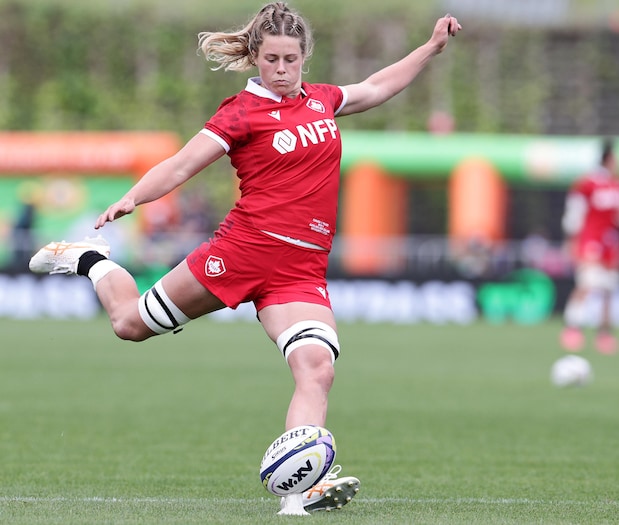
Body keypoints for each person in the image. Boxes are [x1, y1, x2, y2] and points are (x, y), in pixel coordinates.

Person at [28, 2, 462, 516]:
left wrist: (430, 49)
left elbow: (376, 87)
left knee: (317, 368)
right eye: (272, 59)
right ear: (256, 57)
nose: (281, 70)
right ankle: (88, 260)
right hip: (241, 253)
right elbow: (182, 163)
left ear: (305, 58)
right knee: (129, 324)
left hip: (300, 272)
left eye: (291, 59)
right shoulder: (240, 112)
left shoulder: (322, 101)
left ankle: (296, 496)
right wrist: (135, 197)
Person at [559, 138, 619, 354]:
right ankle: (572, 328)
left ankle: (604, 334)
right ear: (608, 158)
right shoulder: (588, 184)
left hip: (612, 245)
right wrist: (571, 241)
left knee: (608, 289)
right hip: (590, 241)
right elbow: (574, 213)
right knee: (587, 284)